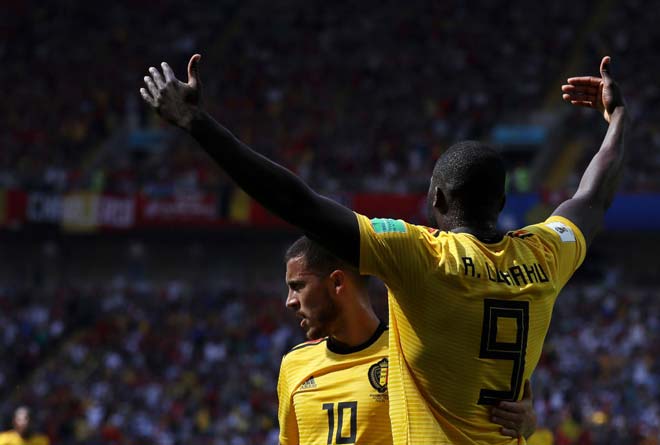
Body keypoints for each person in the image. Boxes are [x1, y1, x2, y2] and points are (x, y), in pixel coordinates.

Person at [140, 55, 627, 443]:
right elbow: (592, 198)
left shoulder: (424, 257)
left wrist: (197, 123)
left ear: (436, 200)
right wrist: (618, 119)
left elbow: (296, 201)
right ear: (501, 203)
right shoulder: (544, 254)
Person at [278, 236, 537, 444]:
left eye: (298, 286)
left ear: (337, 282)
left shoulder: (414, 353)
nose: (290, 301)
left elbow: (480, 422)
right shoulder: (294, 365)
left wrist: (525, 422)